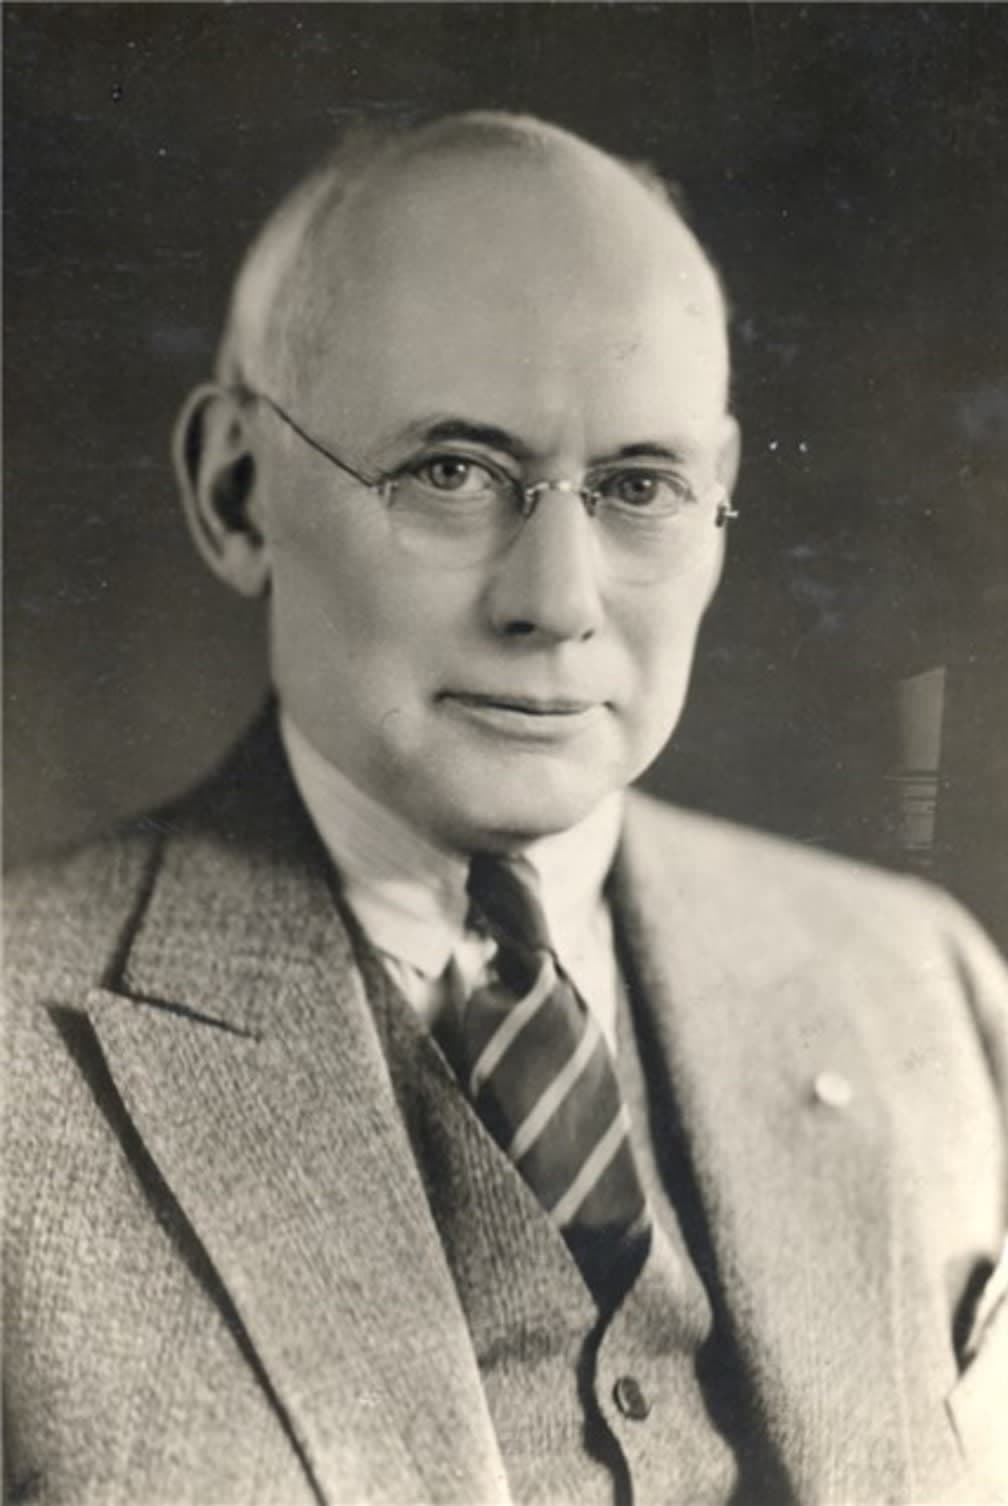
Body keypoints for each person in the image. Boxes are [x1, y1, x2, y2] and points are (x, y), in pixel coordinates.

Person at [5, 111, 1007, 1506]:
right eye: (452, 473)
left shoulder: (924, 983)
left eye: (640, 487)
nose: (557, 600)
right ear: (236, 492)